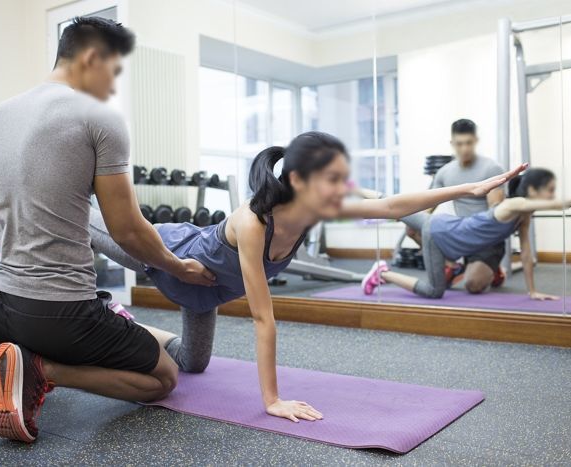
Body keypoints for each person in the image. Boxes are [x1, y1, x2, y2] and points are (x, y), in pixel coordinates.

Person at [89, 131, 527, 424]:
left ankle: (128, 322)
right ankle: (68, 192)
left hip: (206, 292)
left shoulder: (316, 211)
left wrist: (467, 189)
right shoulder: (255, 223)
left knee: (193, 365)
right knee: (86, 223)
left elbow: (392, 206)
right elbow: (263, 319)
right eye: (331, 179)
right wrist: (272, 400)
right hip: (167, 255)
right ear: (298, 179)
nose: (342, 188)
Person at [0, 17, 215, 443]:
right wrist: (179, 269)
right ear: (91, 57)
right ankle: (43, 369)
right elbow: (128, 231)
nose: (113, 83)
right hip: (56, 313)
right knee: (163, 377)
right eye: (114, 70)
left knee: (101, 321)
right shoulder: (98, 117)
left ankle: (29, 352)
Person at [361, 169, 571, 300]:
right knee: (434, 291)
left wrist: (533, 291)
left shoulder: (523, 217)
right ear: (533, 191)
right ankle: (382, 273)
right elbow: (559, 205)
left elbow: (526, 253)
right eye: (549, 189)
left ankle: (354, 192)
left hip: (444, 226)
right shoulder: (514, 204)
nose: (552, 194)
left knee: (393, 206)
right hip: (439, 234)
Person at [406, 119, 507, 292]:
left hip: (486, 238)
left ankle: (494, 268)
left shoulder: (491, 169)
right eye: (459, 144)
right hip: (460, 234)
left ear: (476, 141)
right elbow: (426, 207)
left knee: (473, 286)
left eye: (468, 143)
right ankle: (452, 265)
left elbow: (495, 215)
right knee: (413, 228)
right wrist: (404, 215)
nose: (464, 149)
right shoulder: (445, 172)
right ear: (452, 143)